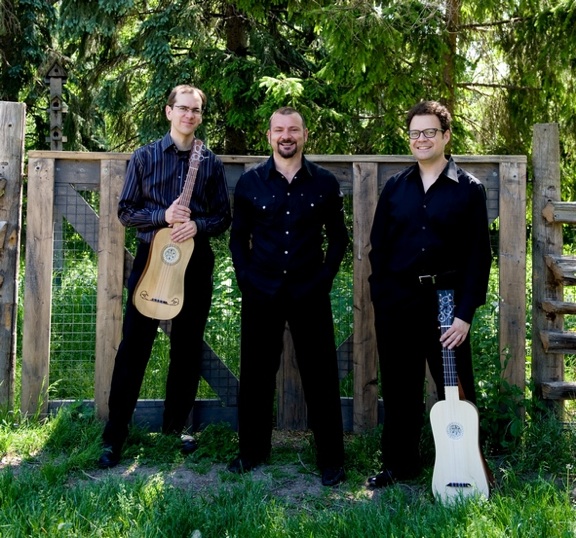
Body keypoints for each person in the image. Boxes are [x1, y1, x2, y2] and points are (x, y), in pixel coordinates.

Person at [98, 84, 232, 468]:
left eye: (196, 110)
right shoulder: (144, 157)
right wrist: (163, 216)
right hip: (151, 261)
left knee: (186, 349)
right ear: (169, 111)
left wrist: (197, 225)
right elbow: (126, 212)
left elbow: (223, 216)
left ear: (200, 117)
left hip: (194, 262)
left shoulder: (210, 163)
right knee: (134, 348)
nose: (189, 115)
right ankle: (114, 435)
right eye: (183, 108)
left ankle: (175, 430)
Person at [366, 100, 492, 488]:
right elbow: (379, 247)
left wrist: (465, 314)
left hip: (447, 304)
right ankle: (399, 465)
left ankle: (466, 464)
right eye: (415, 133)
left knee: (457, 389)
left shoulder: (469, 190)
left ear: (446, 136)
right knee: (399, 387)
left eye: (430, 132)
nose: (421, 139)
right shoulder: (395, 187)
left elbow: (479, 257)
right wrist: (382, 297)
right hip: (398, 302)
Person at [228, 106, 349, 486]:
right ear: (269, 136)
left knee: (321, 375)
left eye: (293, 130)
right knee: (256, 373)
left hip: (309, 291)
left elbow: (339, 238)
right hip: (260, 291)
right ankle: (252, 451)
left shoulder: (324, 183)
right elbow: (237, 238)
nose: (286, 136)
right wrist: (245, 278)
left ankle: (331, 459)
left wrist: (324, 279)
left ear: (305, 135)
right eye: (279, 130)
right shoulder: (250, 183)